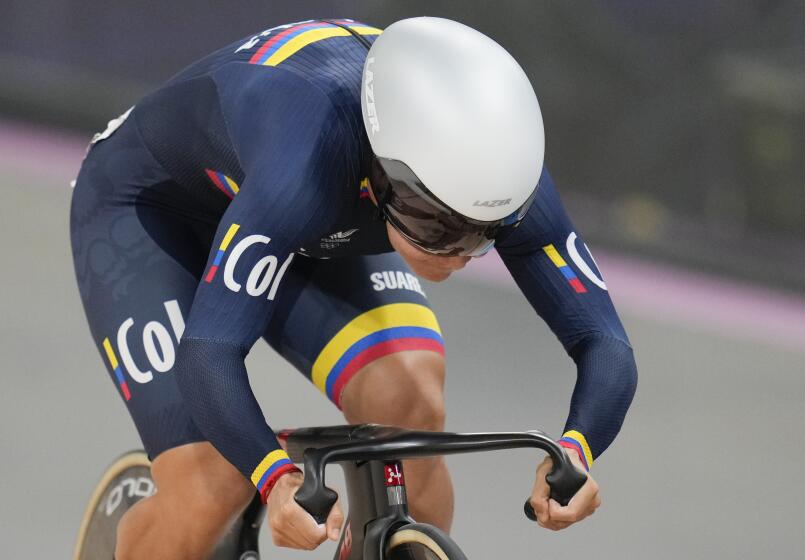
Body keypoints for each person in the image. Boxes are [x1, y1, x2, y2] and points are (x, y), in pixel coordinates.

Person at [70, 16, 637, 559]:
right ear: (385, 167)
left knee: (410, 403)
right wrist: (272, 475)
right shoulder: (307, 158)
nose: (459, 254)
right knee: (213, 481)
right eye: (435, 223)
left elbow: (606, 342)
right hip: (150, 210)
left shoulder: (501, 170)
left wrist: (577, 450)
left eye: (485, 233)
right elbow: (210, 353)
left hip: (304, 220)